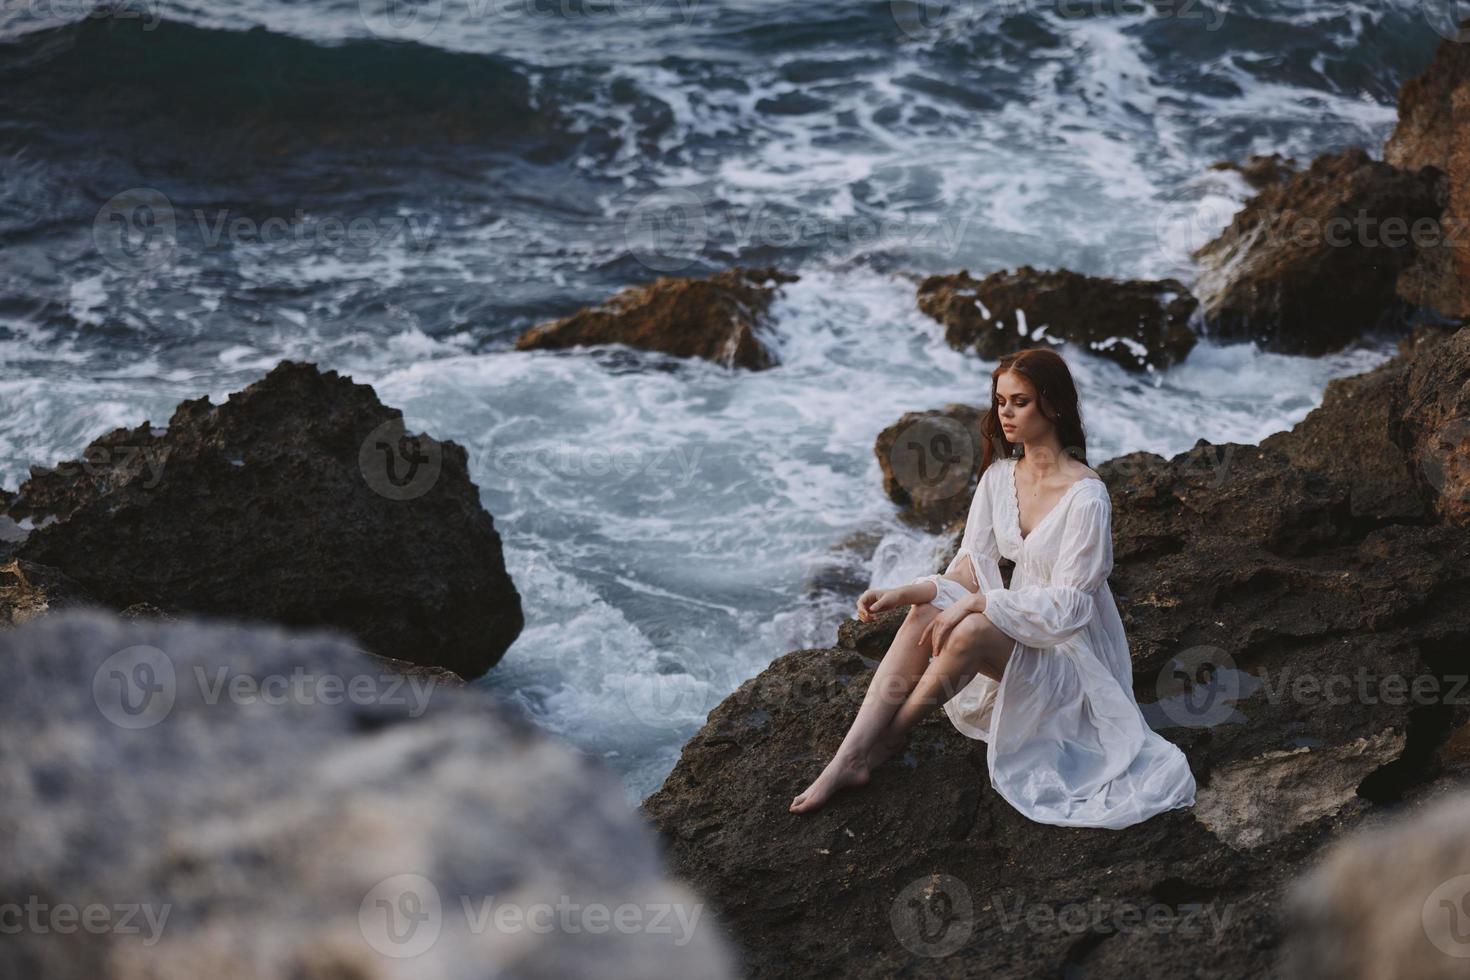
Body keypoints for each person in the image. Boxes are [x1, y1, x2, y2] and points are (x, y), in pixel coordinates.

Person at [790, 348, 1197, 827]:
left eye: (1019, 402)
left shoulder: (1087, 496)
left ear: (1054, 407)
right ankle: (848, 757)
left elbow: (1070, 608)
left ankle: (890, 739)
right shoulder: (999, 477)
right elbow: (967, 570)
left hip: (1074, 661)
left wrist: (985, 602)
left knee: (968, 629)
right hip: (1021, 639)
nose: (1004, 412)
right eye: (1000, 400)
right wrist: (905, 592)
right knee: (928, 611)